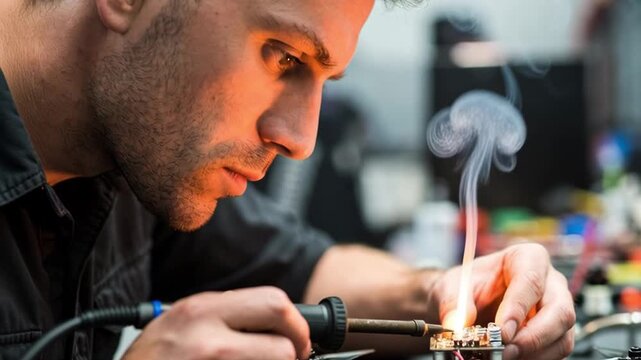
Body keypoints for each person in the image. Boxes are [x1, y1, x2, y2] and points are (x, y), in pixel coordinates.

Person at [0, 0, 575, 359]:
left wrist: (449, 294)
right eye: (284, 58)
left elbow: (304, 269)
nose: (301, 139)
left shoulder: (145, 156)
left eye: (325, 78)